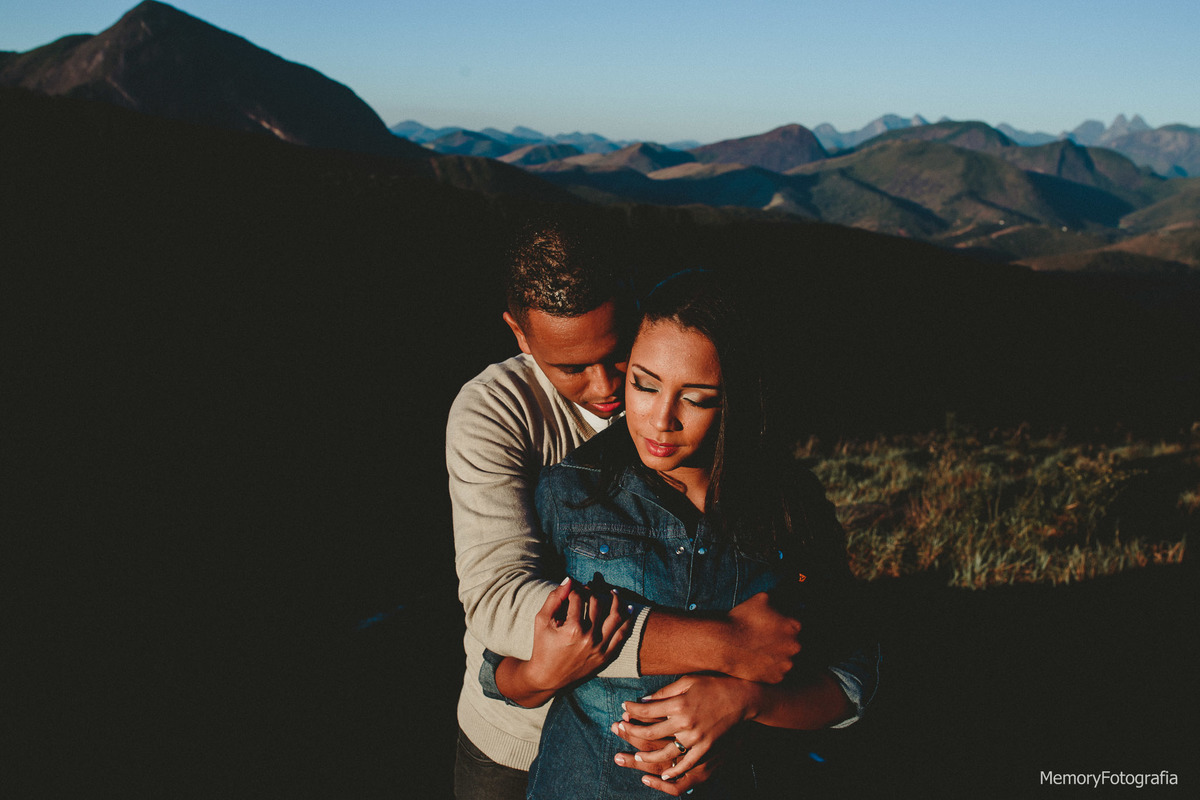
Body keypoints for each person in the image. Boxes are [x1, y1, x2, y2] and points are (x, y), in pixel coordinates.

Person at [447, 228, 827, 800]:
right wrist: (723, 643)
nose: (606, 387)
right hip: (516, 739)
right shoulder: (494, 413)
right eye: (571, 367)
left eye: (619, 353)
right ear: (519, 334)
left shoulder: (712, 424)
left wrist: (739, 705)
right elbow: (499, 604)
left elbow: (814, 634)